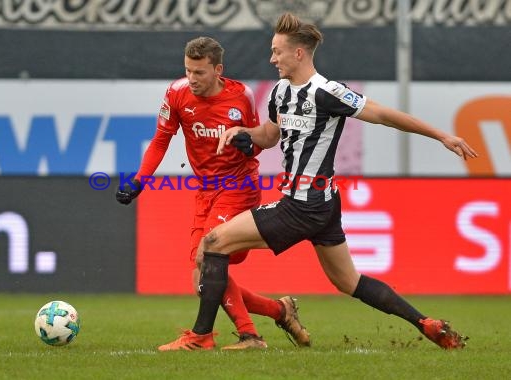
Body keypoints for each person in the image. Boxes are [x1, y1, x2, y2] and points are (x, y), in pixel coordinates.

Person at [159, 13, 478, 351]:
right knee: (349, 282)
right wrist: (245, 134)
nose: (272, 58)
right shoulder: (281, 92)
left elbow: (384, 115)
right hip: (323, 206)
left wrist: (441, 135)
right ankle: (425, 323)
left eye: (277, 51)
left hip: (302, 204)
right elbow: (268, 136)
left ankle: (201, 337)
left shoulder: (327, 92)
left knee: (212, 245)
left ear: (298, 53)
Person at [116, 36, 311, 350]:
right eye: (188, 71)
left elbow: (258, 139)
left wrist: (250, 143)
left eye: (200, 73)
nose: (192, 79)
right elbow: (161, 140)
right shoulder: (176, 93)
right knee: (202, 280)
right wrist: (139, 181)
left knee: (207, 260)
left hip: (239, 187)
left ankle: (242, 336)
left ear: (218, 69)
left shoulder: (241, 97)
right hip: (206, 192)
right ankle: (279, 310)